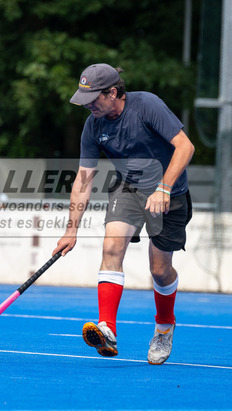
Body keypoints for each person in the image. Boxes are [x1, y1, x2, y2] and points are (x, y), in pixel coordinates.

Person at [53, 63, 195, 365]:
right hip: (128, 187)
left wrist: (164, 188)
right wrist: (71, 230)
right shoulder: (93, 125)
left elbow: (185, 147)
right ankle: (107, 328)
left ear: (113, 93)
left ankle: (164, 327)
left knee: (160, 270)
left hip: (169, 192)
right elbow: (83, 179)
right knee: (111, 247)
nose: (88, 106)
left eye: (93, 99)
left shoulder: (147, 106)